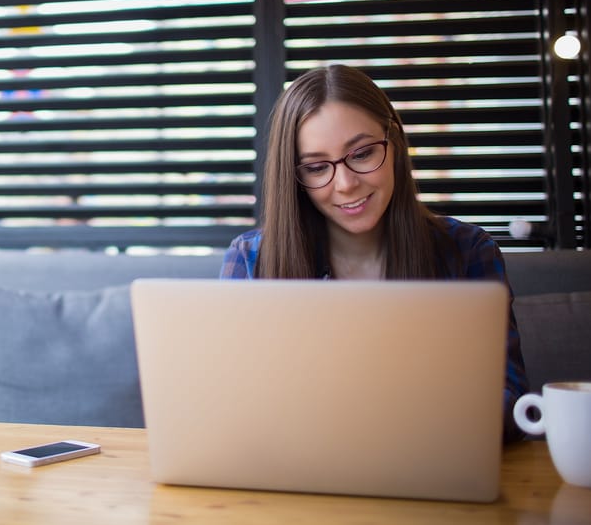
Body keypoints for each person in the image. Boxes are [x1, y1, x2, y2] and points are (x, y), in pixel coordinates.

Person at [220, 64, 528, 443]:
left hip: (425, 458)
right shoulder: (251, 258)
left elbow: (512, 401)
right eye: (316, 168)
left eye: (363, 153)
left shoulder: (467, 250)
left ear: (394, 143)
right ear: (294, 177)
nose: (346, 184)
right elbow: (231, 403)